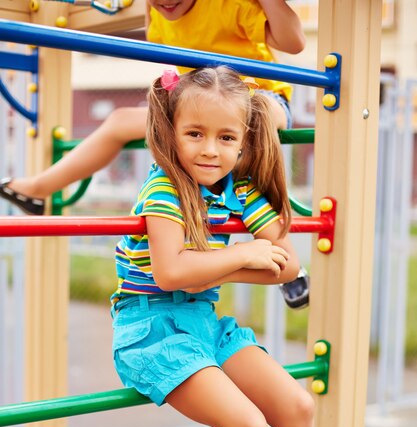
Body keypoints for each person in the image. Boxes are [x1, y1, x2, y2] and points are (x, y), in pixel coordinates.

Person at [111, 65, 323, 427]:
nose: (210, 150)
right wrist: (241, 256)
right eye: (195, 134)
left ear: (245, 140)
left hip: (205, 322)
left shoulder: (241, 190)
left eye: (226, 137)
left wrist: (244, 260)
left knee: (298, 409)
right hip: (151, 327)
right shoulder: (163, 189)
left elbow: (287, 266)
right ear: (171, 132)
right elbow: (170, 272)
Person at [0, 0, 309, 308]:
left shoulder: (227, 6)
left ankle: (279, 252)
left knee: (246, 131)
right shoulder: (160, 18)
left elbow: (294, 41)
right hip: (199, 105)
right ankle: (39, 189)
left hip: (258, 97)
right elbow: (158, 36)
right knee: (122, 120)